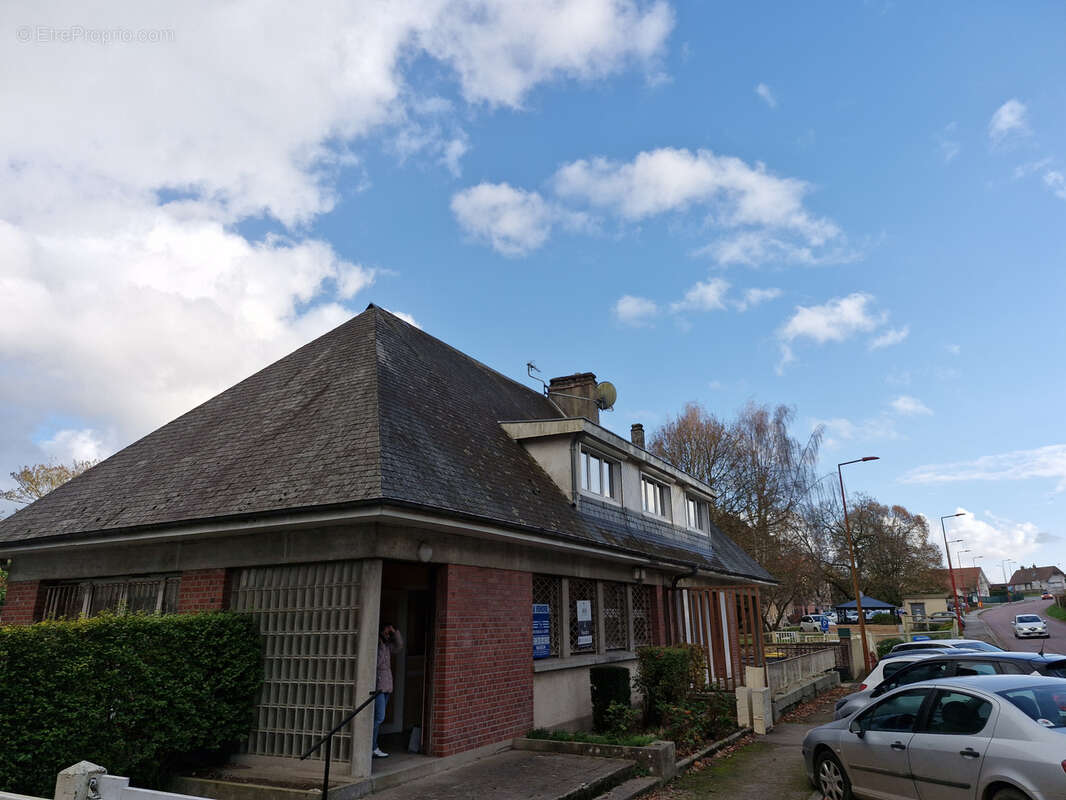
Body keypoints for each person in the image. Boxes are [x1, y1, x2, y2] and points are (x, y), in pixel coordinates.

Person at [373, 623, 404, 759]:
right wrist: (380, 642)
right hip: (378, 685)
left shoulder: (386, 646)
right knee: (379, 717)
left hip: (387, 684)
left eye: (388, 634)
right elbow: (378, 663)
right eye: (385, 633)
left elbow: (399, 646)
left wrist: (394, 631)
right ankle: (372, 747)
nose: (387, 635)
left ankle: (373, 746)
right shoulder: (378, 645)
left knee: (380, 717)